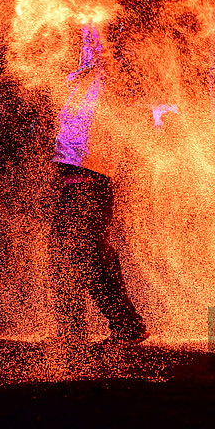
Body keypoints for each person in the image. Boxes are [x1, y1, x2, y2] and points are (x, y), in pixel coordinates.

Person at [49, 22, 148, 346]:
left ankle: (112, 327)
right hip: (79, 184)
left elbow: (98, 52)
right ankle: (82, 329)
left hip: (88, 184)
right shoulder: (79, 84)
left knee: (83, 255)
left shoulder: (102, 80)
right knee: (76, 254)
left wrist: (88, 17)